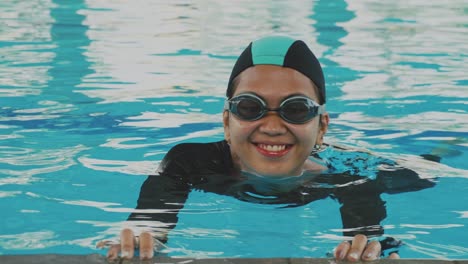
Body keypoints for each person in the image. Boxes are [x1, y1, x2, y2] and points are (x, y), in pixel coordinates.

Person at [98, 36, 435, 262]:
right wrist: (141, 238)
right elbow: (148, 225)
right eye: (249, 107)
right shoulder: (188, 163)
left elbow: (371, 244)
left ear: (322, 126)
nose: (272, 126)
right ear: (227, 121)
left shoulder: (352, 177)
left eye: (297, 109)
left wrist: (369, 251)